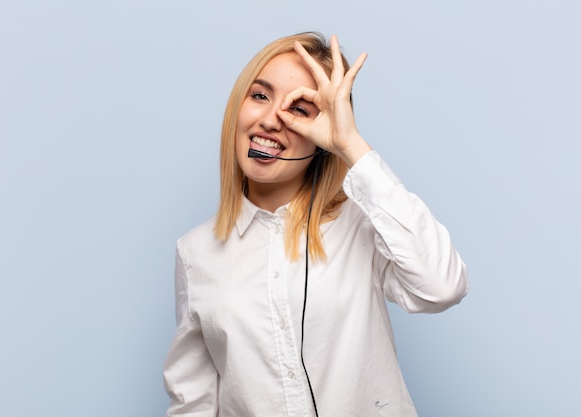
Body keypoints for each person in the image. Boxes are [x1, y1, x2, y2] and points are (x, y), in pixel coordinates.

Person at [163, 32, 468, 417]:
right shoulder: (195, 253)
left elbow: (441, 287)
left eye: (300, 110)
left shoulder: (361, 225)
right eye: (259, 96)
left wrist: (349, 143)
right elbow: (194, 402)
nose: (271, 120)